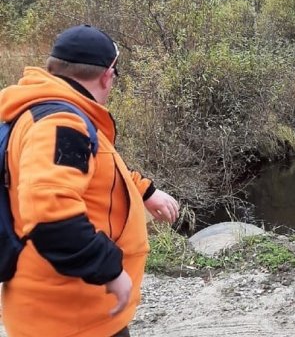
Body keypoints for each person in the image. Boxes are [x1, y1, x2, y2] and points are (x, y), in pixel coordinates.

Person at [0, 24, 180, 337]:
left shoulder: (55, 112)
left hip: (76, 310)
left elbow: (95, 168)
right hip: (69, 318)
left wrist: (145, 192)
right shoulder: (61, 123)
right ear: (107, 75)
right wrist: (109, 270)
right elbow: (50, 217)